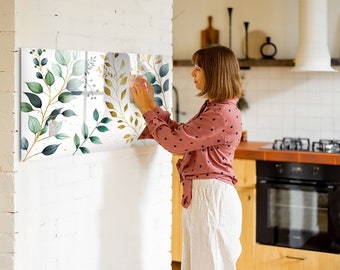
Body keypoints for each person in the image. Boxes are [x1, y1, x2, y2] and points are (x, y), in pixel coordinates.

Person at [129, 46, 243, 270]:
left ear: (214, 73)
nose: (193, 74)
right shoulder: (215, 108)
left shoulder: (221, 113)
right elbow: (182, 134)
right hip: (206, 196)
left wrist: (146, 110)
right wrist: (151, 106)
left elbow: (175, 143)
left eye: (198, 68)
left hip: (211, 198)